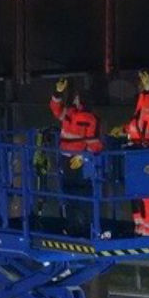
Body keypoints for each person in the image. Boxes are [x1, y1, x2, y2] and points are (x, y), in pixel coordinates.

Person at [113, 70, 149, 237]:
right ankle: (140, 226)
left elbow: (148, 111)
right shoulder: (145, 102)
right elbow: (137, 124)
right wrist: (123, 130)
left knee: (147, 193)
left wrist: (148, 90)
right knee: (136, 191)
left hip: (144, 152)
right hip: (137, 151)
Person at [49, 78, 105, 234]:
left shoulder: (90, 119)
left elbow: (96, 144)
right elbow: (55, 109)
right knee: (69, 193)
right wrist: (57, 92)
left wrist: (84, 157)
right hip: (65, 158)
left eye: (77, 97)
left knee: (82, 193)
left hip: (78, 161)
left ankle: (85, 226)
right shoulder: (70, 112)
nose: (74, 98)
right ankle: (72, 225)